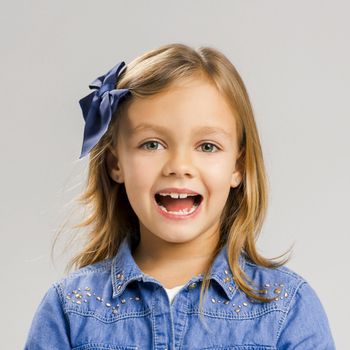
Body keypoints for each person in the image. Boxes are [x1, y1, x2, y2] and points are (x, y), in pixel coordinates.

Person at [24, 43, 336, 349]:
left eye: (207, 146)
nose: (179, 167)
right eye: (152, 144)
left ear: (237, 166)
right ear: (115, 163)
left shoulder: (287, 307)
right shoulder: (69, 310)